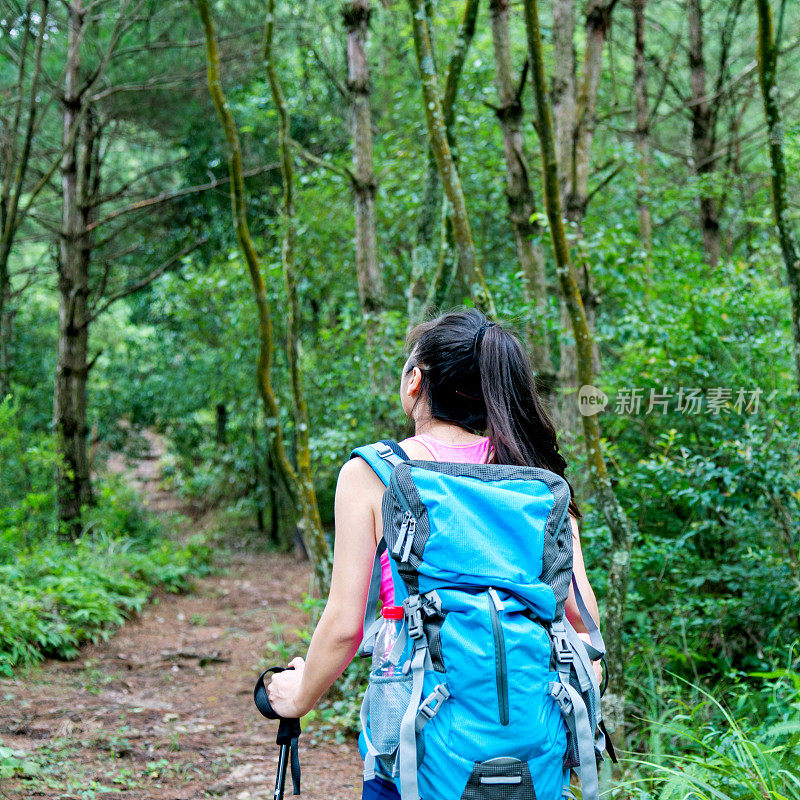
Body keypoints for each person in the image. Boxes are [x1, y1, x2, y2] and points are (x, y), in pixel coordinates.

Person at [267, 308, 603, 799]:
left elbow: (344, 627)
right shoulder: (536, 482)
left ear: (414, 383)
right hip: (534, 750)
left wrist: (297, 697)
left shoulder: (376, 473)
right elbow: (583, 624)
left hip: (415, 742)